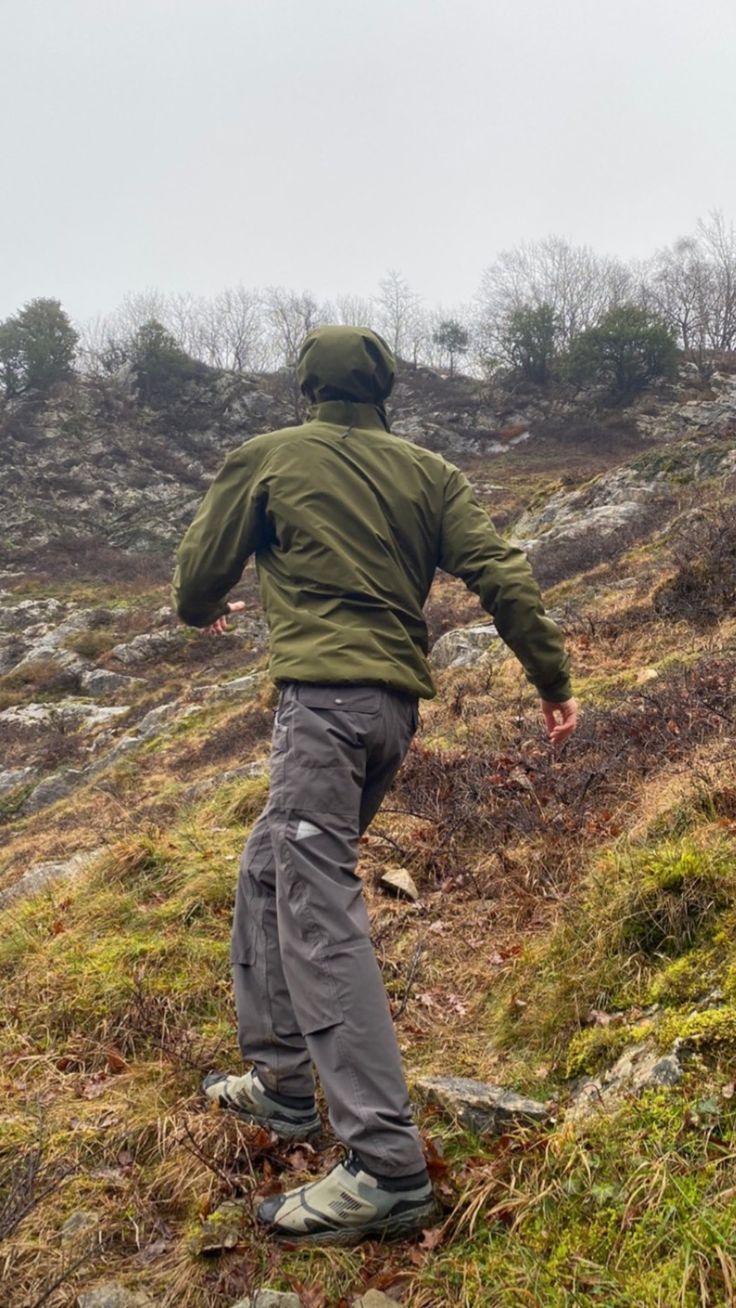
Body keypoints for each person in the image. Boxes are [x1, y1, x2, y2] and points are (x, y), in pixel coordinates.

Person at [172, 325, 577, 1246]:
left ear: (307, 386)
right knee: (269, 870)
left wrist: (202, 614)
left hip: (321, 710)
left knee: (317, 908)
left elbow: (197, 581)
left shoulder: (269, 458)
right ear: (384, 387)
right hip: (391, 714)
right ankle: (280, 1087)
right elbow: (500, 572)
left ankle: (386, 1168)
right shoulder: (430, 475)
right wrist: (552, 682)